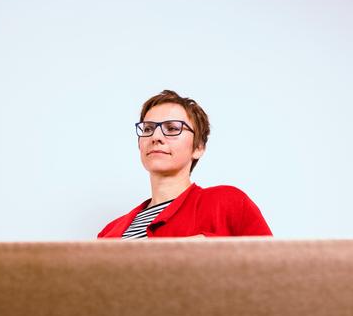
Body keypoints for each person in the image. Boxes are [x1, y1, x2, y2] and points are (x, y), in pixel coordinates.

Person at [97, 90, 272, 239]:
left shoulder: (228, 204)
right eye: (148, 129)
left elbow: (275, 268)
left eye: (172, 128)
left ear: (198, 147)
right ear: (139, 144)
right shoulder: (108, 233)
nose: (155, 137)